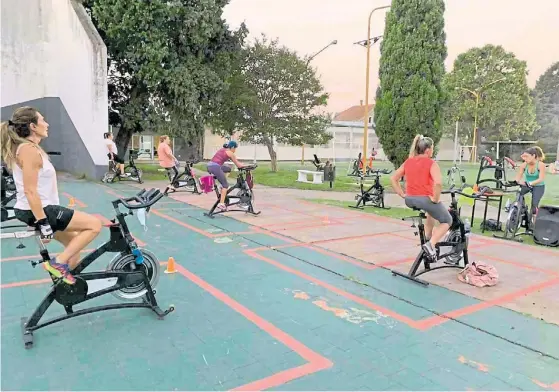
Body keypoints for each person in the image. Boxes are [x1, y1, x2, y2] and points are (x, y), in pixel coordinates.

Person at [1, 107, 102, 284]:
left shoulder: (31, 149)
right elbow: (30, 190)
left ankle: (65, 289)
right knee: (94, 225)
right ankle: (58, 264)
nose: (47, 124)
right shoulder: (28, 150)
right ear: (33, 126)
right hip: (40, 210)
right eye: (42, 120)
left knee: (74, 247)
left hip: (39, 210)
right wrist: (43, 222)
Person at [390, 135, 453, 260]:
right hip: (424, 199)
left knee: (432, 211)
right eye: (432, 149)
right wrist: (435, 198)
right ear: (428, 150)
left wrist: (402, 194)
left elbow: (393, 178)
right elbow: (438, 183)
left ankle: (428, 237)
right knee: (447, 220)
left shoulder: (409, 161)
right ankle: (431, 244)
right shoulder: (431, 163)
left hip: (409, 199)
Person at [208, 140, 245, 211]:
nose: (235, 150)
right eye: (235, 148)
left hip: (210, 165)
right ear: (233, 147)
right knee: (225, 185)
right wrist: (246, 165)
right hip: (215, 167)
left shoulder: (223, 149)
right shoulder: (231, 153)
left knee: (228, 169)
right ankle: (221, 204)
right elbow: (238, 165)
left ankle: (221, 185)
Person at [515, 146, 546, 220]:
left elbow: (541, 179)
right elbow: (518, 177)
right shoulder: (524, 165)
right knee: (519, 194)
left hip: (539, 186)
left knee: (534, 206)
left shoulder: (540, 165)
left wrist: (531, 183)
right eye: (524, 157)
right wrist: (517, 181)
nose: (525, 159)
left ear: (533, 156)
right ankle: (521, 210)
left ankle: (533, 223)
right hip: (527, 184)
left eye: (527, 157)